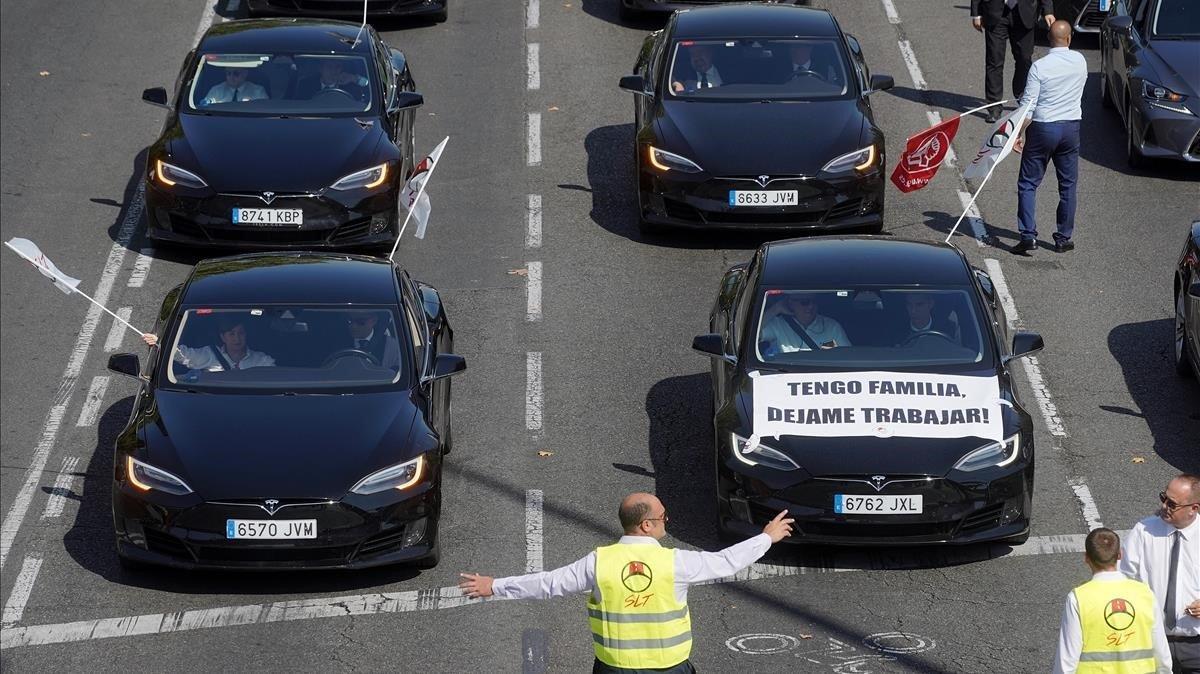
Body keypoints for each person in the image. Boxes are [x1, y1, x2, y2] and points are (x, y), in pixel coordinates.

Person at [459, 493, 794, 673]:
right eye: (663, 517)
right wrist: (766, 538)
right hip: (669, 669)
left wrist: (495, 585)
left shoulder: (599, 562)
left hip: (615, 670)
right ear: (646, 525)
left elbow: (548, 584)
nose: (667, 521)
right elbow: (727, 562)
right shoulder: (675, 562)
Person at [1009, 20, 1087, 256]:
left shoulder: (1039, 67)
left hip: (1043, 128)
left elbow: (1029, 106)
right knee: (1068, 185)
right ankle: (1063, 238)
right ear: (1069, 38)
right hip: (1071, 128)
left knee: (1028, 183)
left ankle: (1028, 235)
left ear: (1049, 38)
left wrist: (1018, 133)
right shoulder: (1080, 61)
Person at [1052, 527, 1173, 674]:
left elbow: (1067, 661)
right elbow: (1162, 655)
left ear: (1086, 558)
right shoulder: (1145, 594)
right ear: (1120, 554)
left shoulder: (1078, 598)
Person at [1120, 474, 1200, 673]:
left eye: (1172, 504)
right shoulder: (1144, 531)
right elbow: (1123, 579)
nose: (1164, 506)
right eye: (1163, 498)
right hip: (1152, 641)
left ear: (1194, 509)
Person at [970, 0, 1054, 123]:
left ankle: (1021, 96)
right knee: (994, 61)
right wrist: (976, 13)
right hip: (995, 12)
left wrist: (1048, 10)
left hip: (1025, 13)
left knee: (1024, 60)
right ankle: (994, 107)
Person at [142, 314, 275, 371]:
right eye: (231, 334)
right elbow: (184, 355)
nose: (237, 338)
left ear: (246, 335)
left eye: (240, 333)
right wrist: (160, 343)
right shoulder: (209, 354)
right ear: (223, 337)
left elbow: (275, 380)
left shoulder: (263, 360)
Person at [759, 293, 851, 353]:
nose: (810, 306)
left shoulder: (832, 326)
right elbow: (753, 334)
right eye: (804, 302)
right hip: (786, 374)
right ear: (791, 303)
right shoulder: (777, 324)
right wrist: (775, 309)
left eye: (814, 302)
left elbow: (847, 354)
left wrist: (826, 349)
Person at [894, 293, 960, 345]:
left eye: (919, 305)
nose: (913, 311)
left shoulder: (948, 329)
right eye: (909, 304)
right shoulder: (896, 330)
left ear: (931, 304)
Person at [297, 60, 368, 100]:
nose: (334, 71)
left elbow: (370, 86)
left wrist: (354, 78)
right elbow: (298, 105)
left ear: (342, 69)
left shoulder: (350, 87)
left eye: (338, 67)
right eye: (329, 66)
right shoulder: (306, 84)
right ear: (321, 69)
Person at [201, 67, 268, 106]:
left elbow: (265, 110)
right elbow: (204, 106)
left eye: (236, 73)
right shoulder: (216, 90)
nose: (231, 77)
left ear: (245, 74)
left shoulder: (258, 91)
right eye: (228, 73)